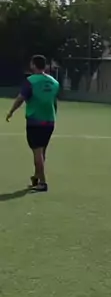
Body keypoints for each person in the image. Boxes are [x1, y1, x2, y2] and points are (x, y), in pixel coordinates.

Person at [5, 55, 60, 193]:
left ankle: (43, 182)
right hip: (49, 121)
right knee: (42, 152)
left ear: (34, 65)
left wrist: (11, 111)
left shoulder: (31, 81)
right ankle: (36, 177)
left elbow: (20, 98)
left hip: (35, 121)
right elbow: (54, 101)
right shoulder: (54, 82)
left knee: (37, 152)